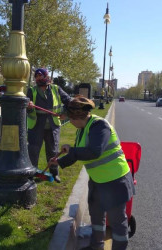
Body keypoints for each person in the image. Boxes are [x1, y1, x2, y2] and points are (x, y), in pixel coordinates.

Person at [48, 96, 135, 250]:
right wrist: (59, 162)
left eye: (69, 118)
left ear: (75, 117)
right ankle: (96, 246)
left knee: (117, 222)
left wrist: (73, 150)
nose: (68, 121)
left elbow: (94, 152)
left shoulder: (99, 126)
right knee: (96, 216)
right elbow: (78, 153)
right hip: (97, 180)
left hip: (115, 181)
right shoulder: (82, 129)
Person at [26, 68, 71, 183]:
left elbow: (69, 101)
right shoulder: (32, 90)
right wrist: (29, 106)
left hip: (53, 125)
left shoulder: (56, 89)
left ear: (47, 77)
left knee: (53, 150)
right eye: (37, 77)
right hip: (36, 125)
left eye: (41, 76)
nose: (39, 78)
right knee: (33, 150)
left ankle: (54, 173)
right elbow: (26, 107)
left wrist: (65, 113)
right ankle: (31, 173)